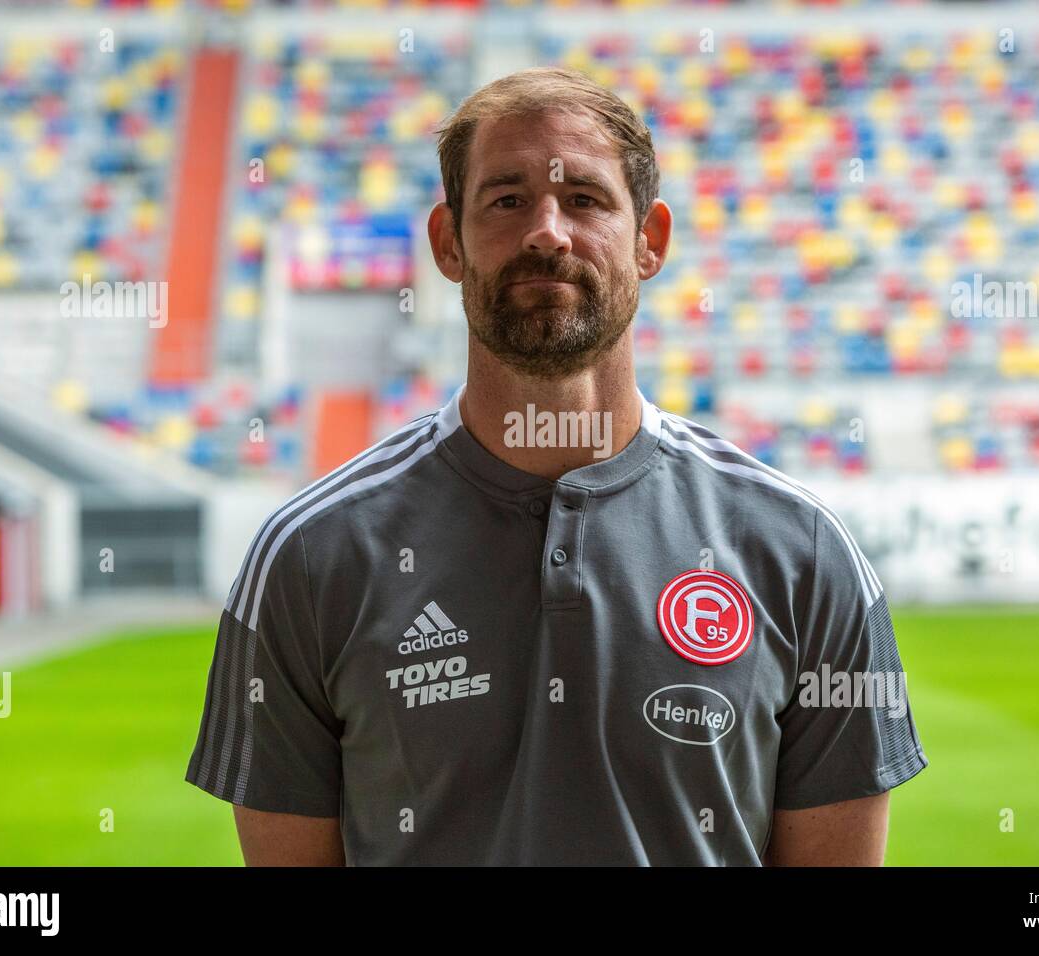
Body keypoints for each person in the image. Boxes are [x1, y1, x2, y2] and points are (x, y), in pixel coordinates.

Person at [186, 66, 927, 865]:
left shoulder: (802, 551)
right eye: (507, 200)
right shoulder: (309, 556)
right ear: (447, 242)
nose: (547, 232)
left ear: (650, 241)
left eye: (585, 199)